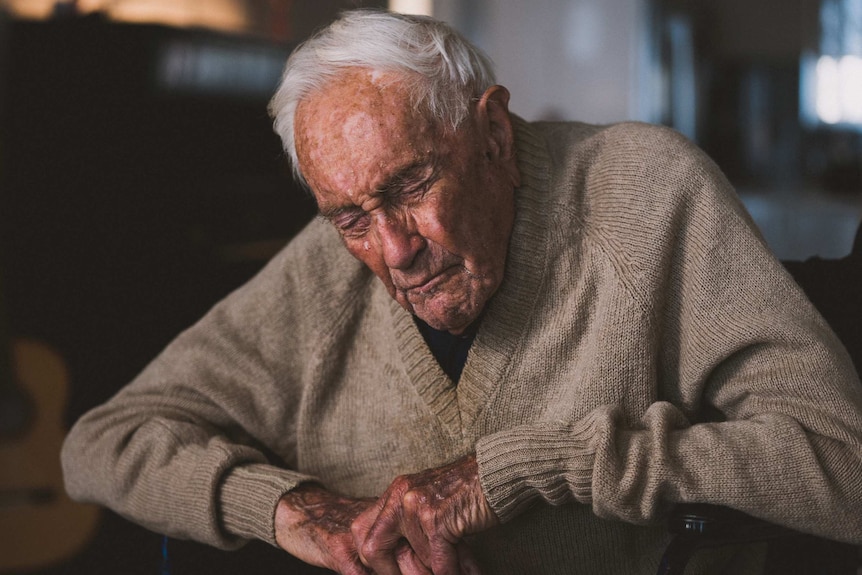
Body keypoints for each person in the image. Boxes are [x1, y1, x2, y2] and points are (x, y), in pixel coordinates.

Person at [61, 9, 862, 575]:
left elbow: (841, 465)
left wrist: (532, 467)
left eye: (411, 184)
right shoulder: (325, 267)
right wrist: (294, 510)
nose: (395, 249)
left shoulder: (647, 194)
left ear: (494, 135)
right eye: (351, 216)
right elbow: (103, 442)